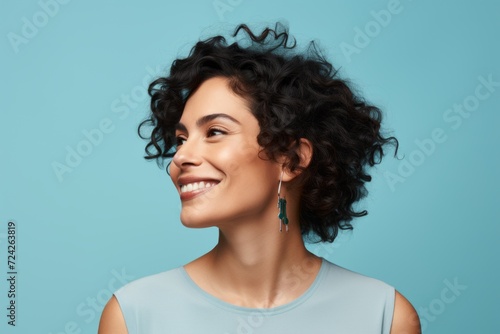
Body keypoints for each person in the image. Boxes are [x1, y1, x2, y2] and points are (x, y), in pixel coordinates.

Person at [99, 23, 420, 333]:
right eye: (181, 139)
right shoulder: (135, 316)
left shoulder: (384, 316)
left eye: (215, 132)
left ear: (291, 159)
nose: (180, 158)